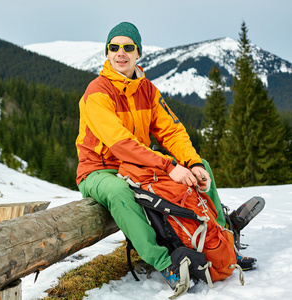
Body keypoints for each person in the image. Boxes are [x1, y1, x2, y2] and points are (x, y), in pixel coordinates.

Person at [75, 21, 256, 290]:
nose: (120, 53)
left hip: (138, 165)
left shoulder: (147, 90)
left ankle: (223, 245)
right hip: (99, 170)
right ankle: (166, 263)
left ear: (138, 53)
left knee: (202, 166)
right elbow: (119, 143)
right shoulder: (98, 92)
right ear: (107, 52)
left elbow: (171, 131)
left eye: (128, 47)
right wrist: (169, 166)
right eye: (114, 47)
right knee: (119, 193)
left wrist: (191, 163)